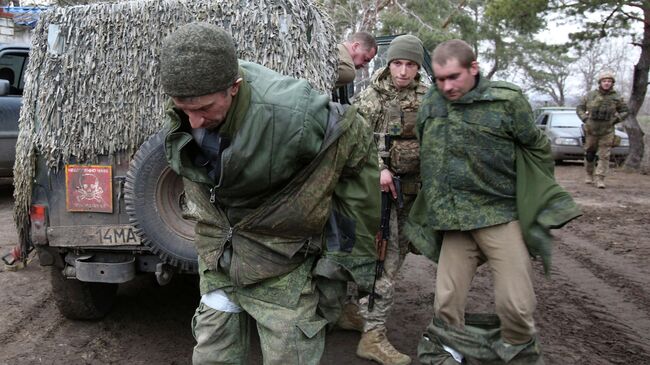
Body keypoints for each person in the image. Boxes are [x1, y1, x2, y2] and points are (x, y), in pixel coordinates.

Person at [160, 22, 381, 365]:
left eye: (204, 110)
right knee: (212, 354)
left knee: (289, 355)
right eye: (183, 109)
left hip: (281, 262)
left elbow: (355, 140)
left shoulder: (292, 115)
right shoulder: (191, 101)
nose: (194, 122)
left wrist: (346, 253)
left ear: (234, 88)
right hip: (219, 257)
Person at [404, 39, 580, 364]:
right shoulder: (432, 102)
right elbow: (425, 143)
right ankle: (450, 349)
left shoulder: (507, 101)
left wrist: (536, 195)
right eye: (440, 79)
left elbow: (536, 147)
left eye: (454, 77)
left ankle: (516, 352)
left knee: (515, 303)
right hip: (455, 219)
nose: (446, 86)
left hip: (499, 214)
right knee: (446, 300)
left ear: (474, 68)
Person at [348, 34, 429, 365]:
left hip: (414, 194)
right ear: (388, 63)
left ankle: (356, 311)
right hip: (380, 194)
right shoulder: (371, 98)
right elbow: (354, 141)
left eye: (410, 64)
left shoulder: (428, 98)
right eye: (398, 63)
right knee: (386, 262)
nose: (403, 71)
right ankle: (373, 335)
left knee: (395, 257)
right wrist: (379, 168)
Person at [576, 70, 629, 188]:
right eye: (604, 81)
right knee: (590, 154)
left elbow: (625, 111)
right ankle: (589, 174)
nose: (607, 83)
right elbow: (579, 108)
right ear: (600, 82)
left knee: (604, 156)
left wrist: (616, 120)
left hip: (607, 131)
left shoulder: (617, 97)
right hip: (591, 130)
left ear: (612, 83)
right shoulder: (590, 95)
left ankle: (600, 178)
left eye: (609, 81)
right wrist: (585, 119)